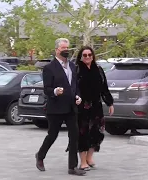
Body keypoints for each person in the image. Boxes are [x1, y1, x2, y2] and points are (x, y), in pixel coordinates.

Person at [35, 38, 86, 176]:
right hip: (56, 108)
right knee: (52, 135)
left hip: (71, 108)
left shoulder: (72, 66)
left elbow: (75, 86)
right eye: (63, 48)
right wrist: (55, 91)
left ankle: (72, 167)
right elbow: (46, 89)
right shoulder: (49, 68)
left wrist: (78, 97)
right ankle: (40, 156)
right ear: (57, 49)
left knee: (74, 136)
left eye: (67, 48)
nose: (66, 50)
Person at [75, 46, 114, 170]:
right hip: (82, 106)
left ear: (93, 56)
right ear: (80, 57)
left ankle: (90, 157)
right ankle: (82, 161)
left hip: (96, 106)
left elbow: (104, 88)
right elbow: (73, 88)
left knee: (96, 132)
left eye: (89, 55)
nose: (87, 57)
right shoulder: (76, 70)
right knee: (83, 133)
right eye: (85, 55)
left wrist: (110, 103)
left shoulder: (98, 69)